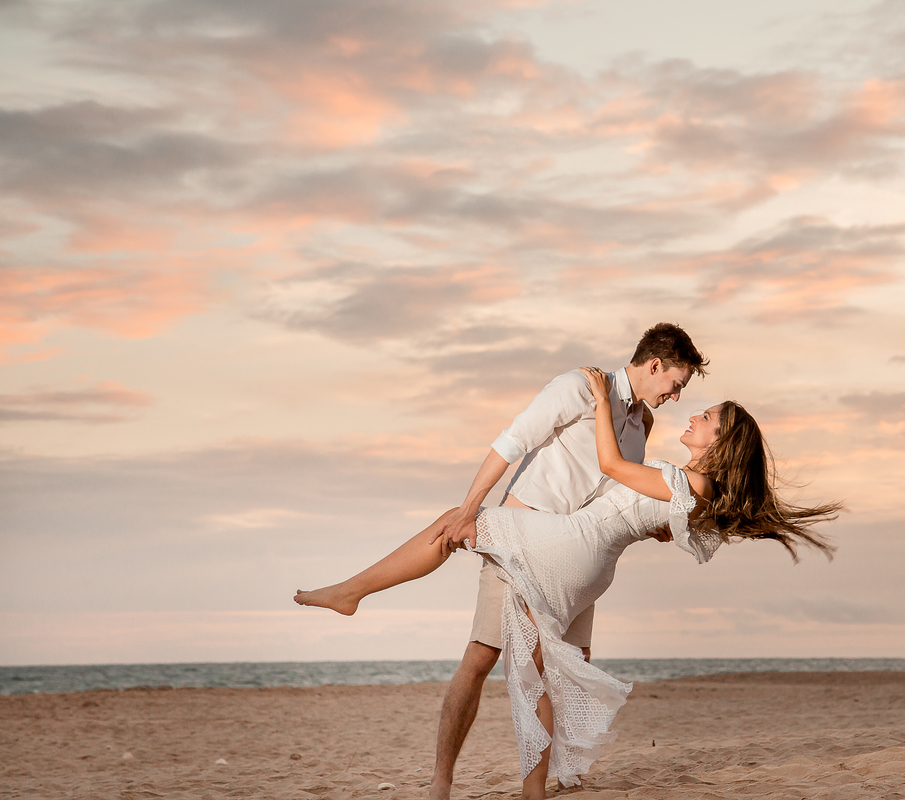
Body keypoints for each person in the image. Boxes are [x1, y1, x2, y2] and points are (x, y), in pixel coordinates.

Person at [294, 367, 840, 798]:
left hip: (569, 543)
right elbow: (658, 525)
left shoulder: (684, 475)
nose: (691, 411)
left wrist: (601, 401)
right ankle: (539, 786)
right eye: (689, 396)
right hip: (593, 566)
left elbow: (608, 462)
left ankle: (352, 592)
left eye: (706, 415)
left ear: (720, 439)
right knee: (545, 665)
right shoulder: (694, 484)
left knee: (455, 522)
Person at [300, 323, 708, 800]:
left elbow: (616, 487)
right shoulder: (578, 387)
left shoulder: (644, 424)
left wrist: (651, 525)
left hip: (576, 557)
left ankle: (546, 784)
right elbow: (511, 441)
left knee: (567, 668)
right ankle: (441, 781)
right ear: (655, 365)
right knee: (479, 660)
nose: (675, 396)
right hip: (527, 536)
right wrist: (472, 506)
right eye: (676, 384)